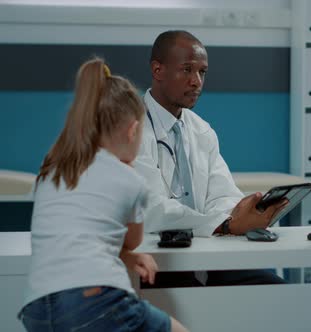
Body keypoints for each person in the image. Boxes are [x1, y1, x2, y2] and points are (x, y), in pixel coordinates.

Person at [19, 58, 188, 332]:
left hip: (36, 310)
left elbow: (82, 236)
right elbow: (132, 240)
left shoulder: (54, 170)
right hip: (95, 301)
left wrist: (127, 257)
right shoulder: (130, 179)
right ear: (134, 130)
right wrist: (131, 254)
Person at [134, 30, 286, 287]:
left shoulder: (201, 130)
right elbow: (152, 210)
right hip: (155, 262)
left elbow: (222, 195)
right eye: (187, 70)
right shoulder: (130, 127)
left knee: (275, 291)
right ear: (158, 70)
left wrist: (241, 212)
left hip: (205, 256)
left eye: (202, 72)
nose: (196, 81)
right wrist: (224, 226)